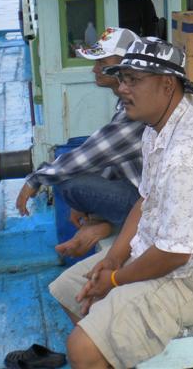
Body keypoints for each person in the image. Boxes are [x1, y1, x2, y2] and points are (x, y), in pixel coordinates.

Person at [49, 38, 193, 369]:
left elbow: (175, 254)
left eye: (134, 80)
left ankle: (103, 351)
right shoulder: (156, 130)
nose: (122, 89)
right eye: (122, 78)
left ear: (167, 85)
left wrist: (114, 280)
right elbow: (145, 200)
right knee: (67, 289)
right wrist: (113, 258)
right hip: (160, 254)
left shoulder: (187, 154)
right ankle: (113, 352)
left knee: (81, 349)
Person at [15, 27, 144, 258]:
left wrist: (36, 178)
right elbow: (111, 159)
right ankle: (101, 222)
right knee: (75, 177)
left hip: (147, 205)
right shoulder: (126, 101)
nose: (94, 69)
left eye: (102, 61)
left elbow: (90, 155)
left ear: (126, 65)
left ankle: (109, 224)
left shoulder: (137, 111)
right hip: (137, 191)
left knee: (68, 182)